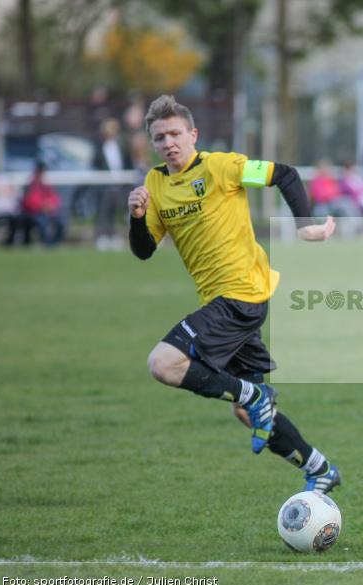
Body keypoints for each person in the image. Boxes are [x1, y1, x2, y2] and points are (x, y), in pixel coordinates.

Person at [127, 95, 341, 494]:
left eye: (175, 133)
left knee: (163, 363)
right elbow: (143, 250)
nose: (168, 142)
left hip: (241, 294)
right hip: (221, 302)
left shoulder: (221, 166)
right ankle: (319, 467)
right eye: (159, 137)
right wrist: (137, 217)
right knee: (246, 412)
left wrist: (304, 226)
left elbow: (286, 174)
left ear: (193, 134)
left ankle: (255, 393)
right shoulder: (155, 183)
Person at [94, 118, 133, 251]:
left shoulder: (121, 146)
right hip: (105, 185)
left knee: (118, 212)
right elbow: (96, 165)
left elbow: (127, 162)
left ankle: (114, 236)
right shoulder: (99, 147)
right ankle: (102, 236)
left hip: (120, 185)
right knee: (104, 212)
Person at [12, 161, 66, 246]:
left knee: (61, 221)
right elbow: (28, 202)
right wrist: (42, 206)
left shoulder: (46, 185)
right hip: (34, 213)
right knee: (42, 222)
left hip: (47, 212)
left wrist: (51, 205)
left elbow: (55, 198)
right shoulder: (30, 185)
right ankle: (46, 243)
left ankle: (55, 243)